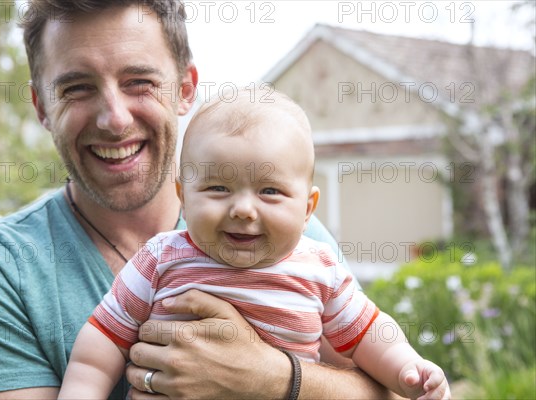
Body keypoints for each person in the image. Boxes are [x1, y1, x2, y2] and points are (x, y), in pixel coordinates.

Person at [0, 1, 400, 399]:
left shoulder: (282, 231)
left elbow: (392, 388)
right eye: (77, 87)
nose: (114, 119)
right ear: (41, 106)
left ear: (185, 89)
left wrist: (274, 377)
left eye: (139, 81)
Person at [58, 89, 450, 400]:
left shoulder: (319, 267)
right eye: (217, 188)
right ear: (184, 195)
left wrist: (408, 369)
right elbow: (102, 340)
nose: (243, 209)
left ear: (307, 207)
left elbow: (368, 334)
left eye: (269, 191)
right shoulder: (161, 258)